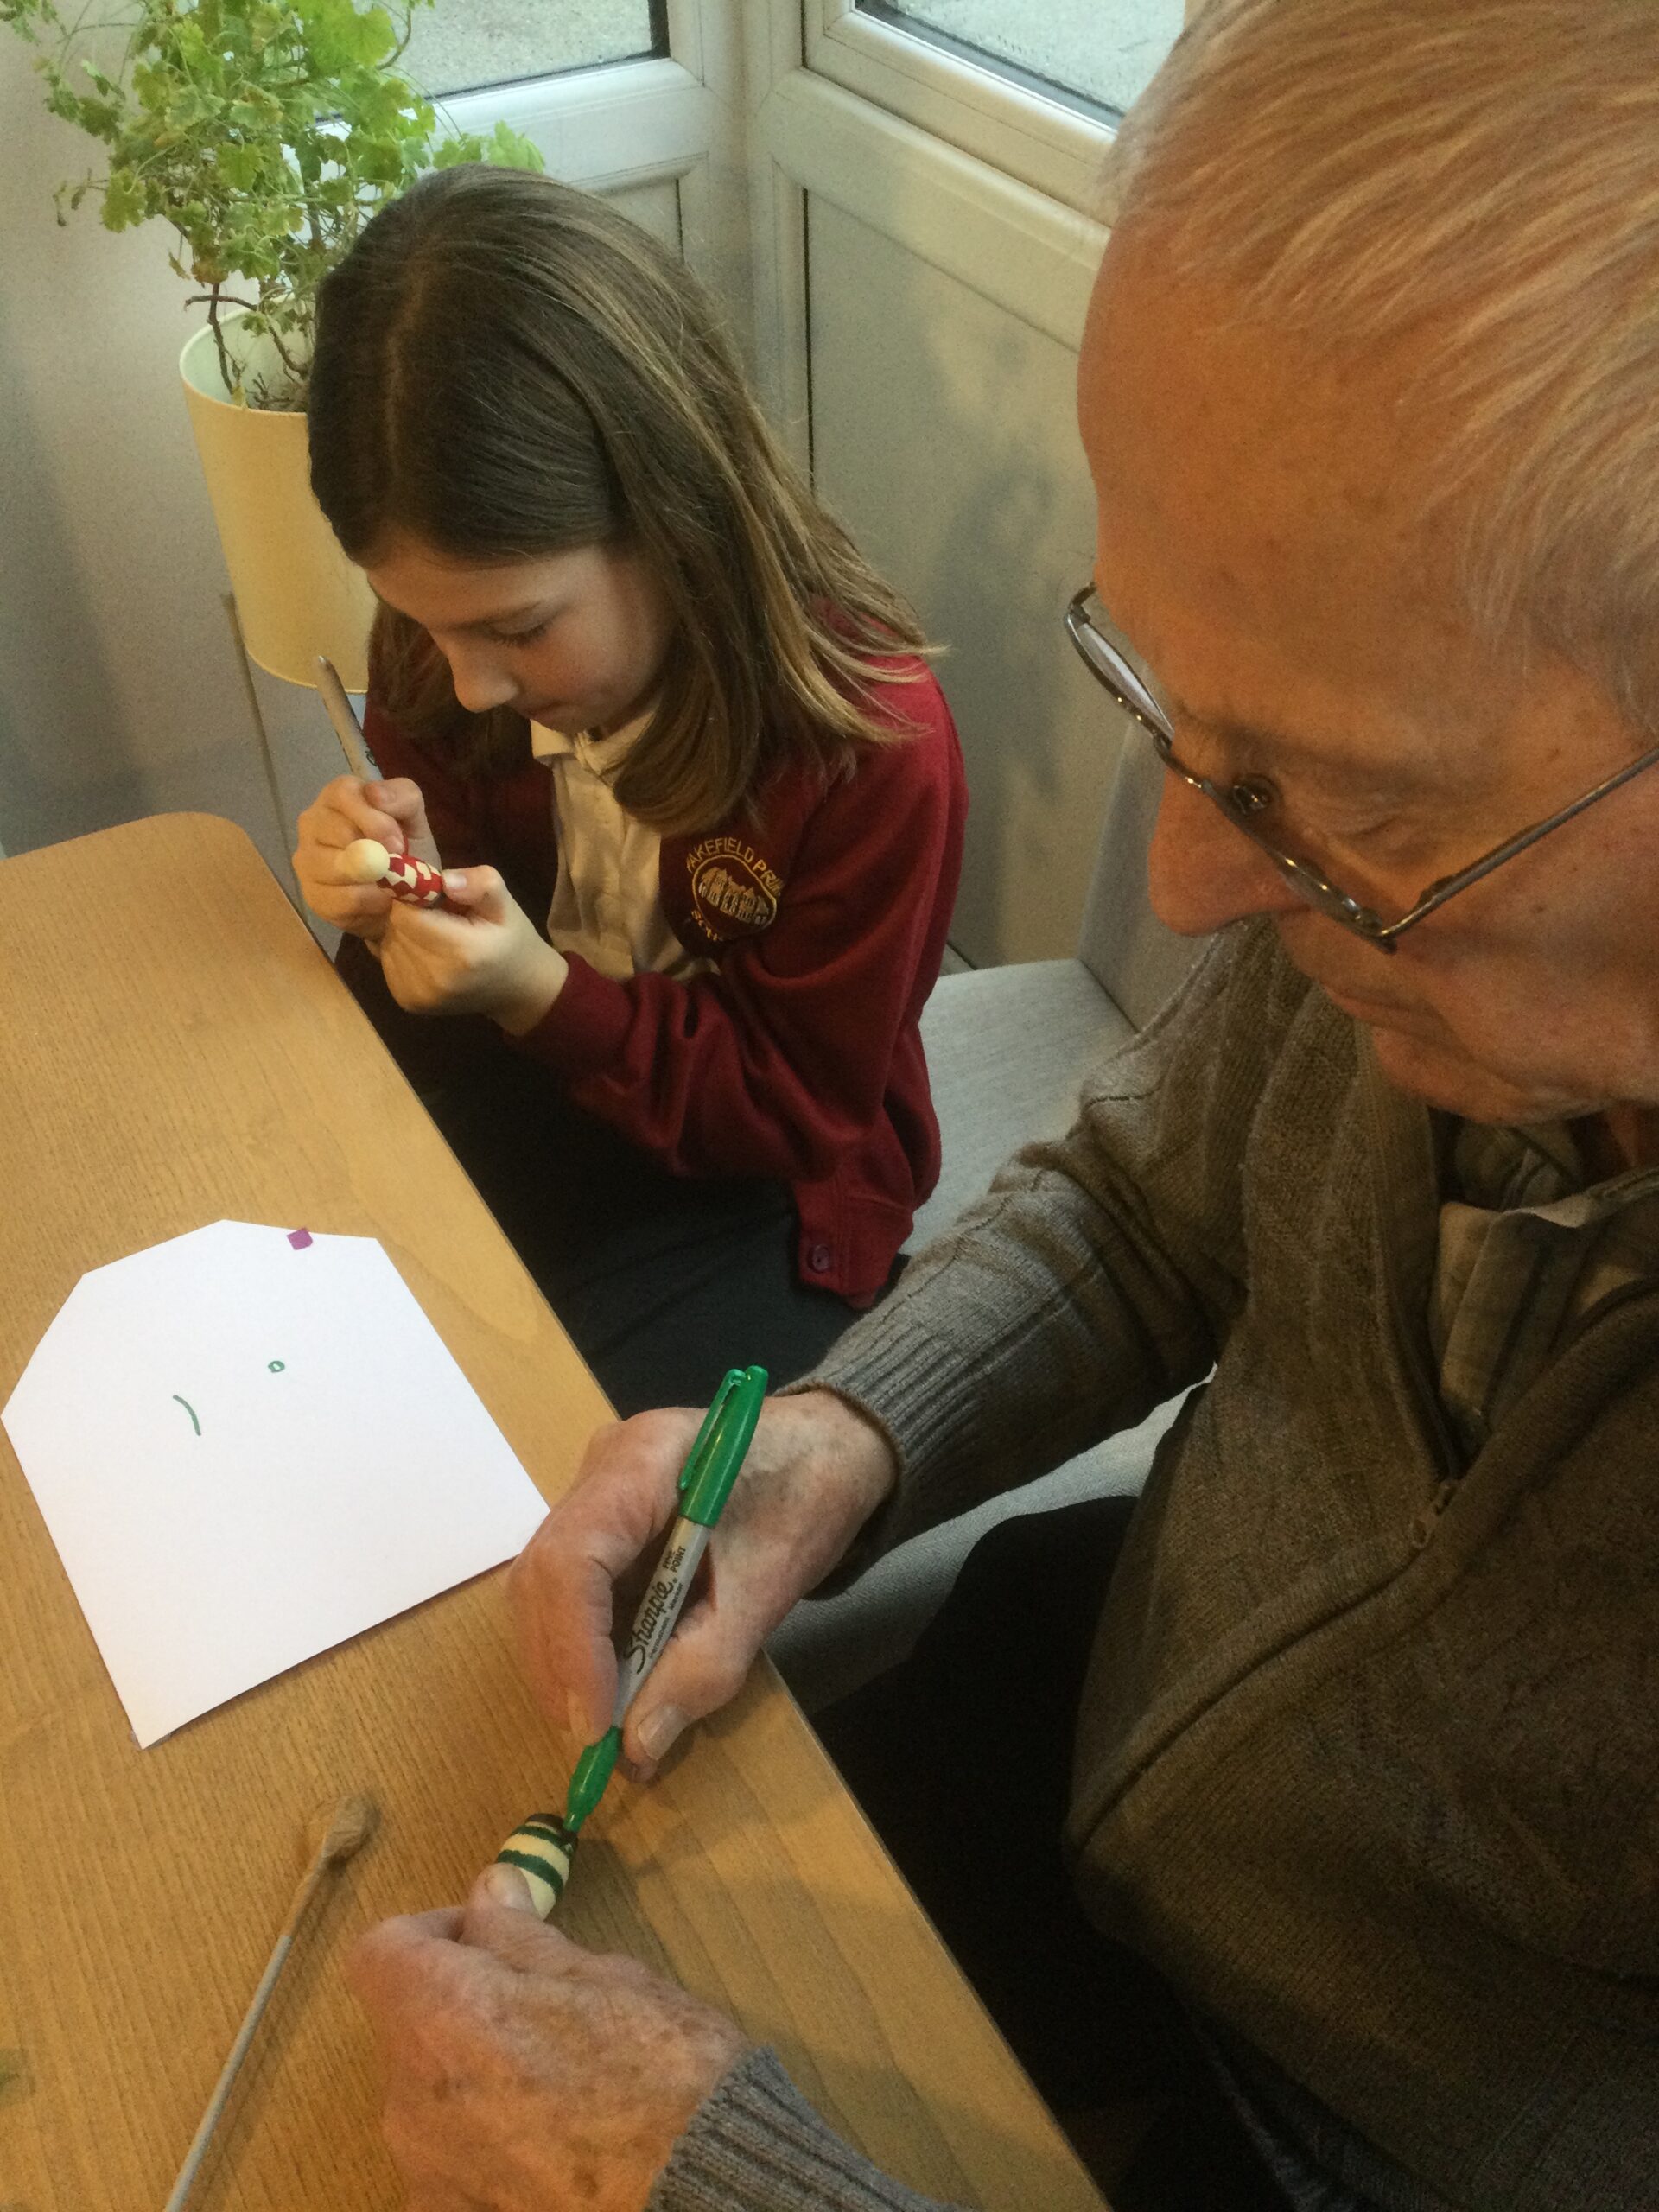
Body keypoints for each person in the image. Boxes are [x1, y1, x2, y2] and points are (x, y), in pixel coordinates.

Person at [344, 4, 1659, 2209]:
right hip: (1112, 1687)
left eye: (1348, 797)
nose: (1179, 885)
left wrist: (731, 2177)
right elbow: (1155, 1196)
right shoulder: (1408, 944)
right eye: (1168, 704)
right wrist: (844, 1449)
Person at [292, 167, 966, 1415]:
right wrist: (385, 898)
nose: (469, 685)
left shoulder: (867, 747)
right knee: (323, 1344)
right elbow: (424, 1009)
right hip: (535, 1096)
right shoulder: (457, 650)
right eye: (416, 623)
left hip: (763, 1188)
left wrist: (539, 994)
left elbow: (801, 1112)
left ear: (675, 518)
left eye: (520, 628)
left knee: (544, 1470)